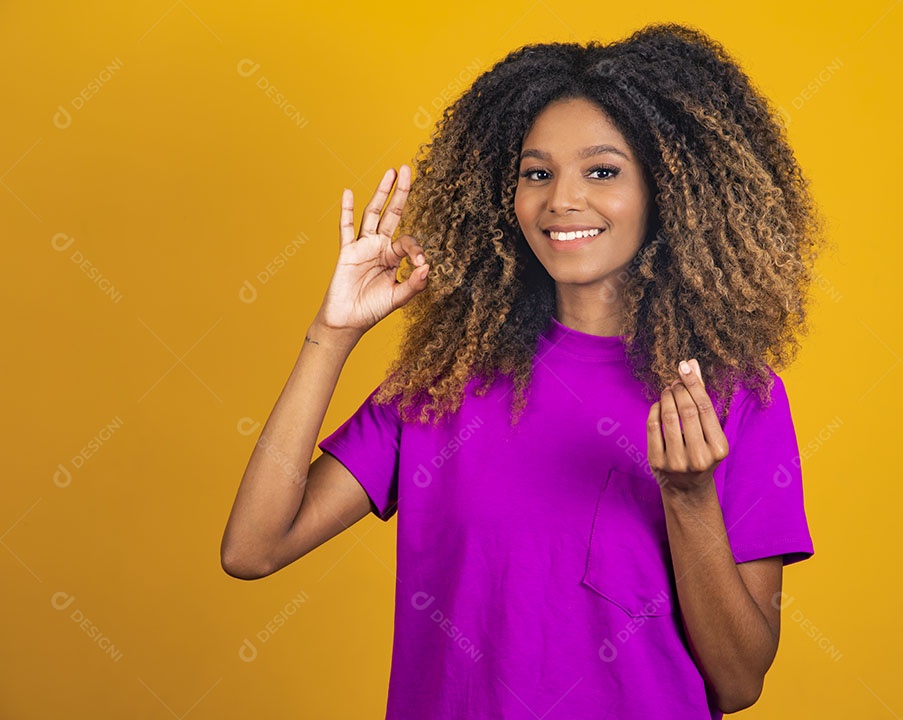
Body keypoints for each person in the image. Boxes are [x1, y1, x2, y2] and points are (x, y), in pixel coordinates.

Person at [221, 21, 826, 719]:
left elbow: (738, 682)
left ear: (669, 189)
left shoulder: (732, 397)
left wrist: (689, 498)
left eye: (603, 171)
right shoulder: (440, 385)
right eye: (536, 173)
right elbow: (253, 548)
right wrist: (332, 334)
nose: (561, 200)